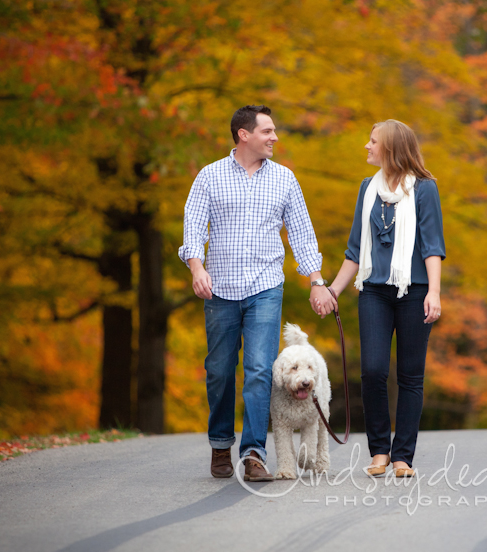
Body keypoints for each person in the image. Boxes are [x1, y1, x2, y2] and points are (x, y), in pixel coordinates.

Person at [178, 105, 337, 482]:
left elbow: (301, 233)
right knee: (218, 370)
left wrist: (316, 281)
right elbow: (193, 227)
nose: (275, 137)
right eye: (267, 131)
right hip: (220, 288)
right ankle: (220, 443)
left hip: (265, 287)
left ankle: (253, 453)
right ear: (243, 135)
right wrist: (197, 268)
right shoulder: (209, 176)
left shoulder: (284, 179)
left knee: (260, 371)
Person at [327, 119, 445, 478]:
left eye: (373, 141)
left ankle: (402, 456)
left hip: (415, 291)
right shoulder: (367, 188)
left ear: (391, 149)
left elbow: (433, 246)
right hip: (374, 290)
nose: (367, 146)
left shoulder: (424, 189)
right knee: (374, 370)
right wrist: (332, 289)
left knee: (410, 376)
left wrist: (435, 292)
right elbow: (354, 251)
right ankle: (379, 450)